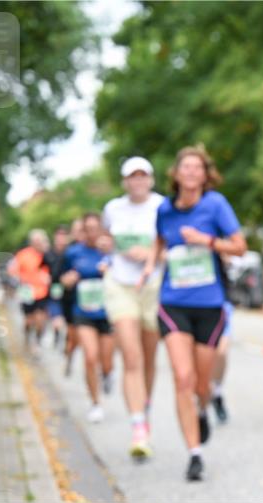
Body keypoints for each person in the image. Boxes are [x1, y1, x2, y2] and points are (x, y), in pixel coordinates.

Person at [142, 145, 247, 481]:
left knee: (201, 383)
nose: (190, 172)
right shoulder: (164, 209)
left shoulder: (215, 204)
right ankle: (194, 453)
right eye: (185, 166)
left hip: (210, 305)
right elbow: (159, 241)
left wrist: (206, 241)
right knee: (182, 377)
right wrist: (149, 265)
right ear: (176, 173)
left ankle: (203, 408)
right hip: (173, 303)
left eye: (196, 167)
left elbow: (240, 246)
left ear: (204, 175)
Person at [102, 157, 165, 459]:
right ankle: (138, 427)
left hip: (154, 286)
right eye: (132, 176)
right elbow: (106, 240)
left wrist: (151, 254)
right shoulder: (113, 209)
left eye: (143, 175)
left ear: (151, 179)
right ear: (124, 181)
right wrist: (111, 248)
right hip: (120, 284)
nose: (138, 181)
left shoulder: (162, 206)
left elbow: (172, 245)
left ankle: (145, 406)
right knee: (131, 357)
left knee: (149, 357)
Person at [60, 213, 115, 423]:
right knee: (90, 357)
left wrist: (111, 270)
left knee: (106, 361)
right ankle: (95, 403)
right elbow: (62, 278)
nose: (92, 233)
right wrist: (68, 280)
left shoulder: (110, 251)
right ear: (83, 231)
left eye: (95, 228)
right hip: (83, 311)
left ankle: (108, 374)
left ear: (102, 229)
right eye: (88, 229)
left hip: (108, 312)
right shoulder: (73, 253)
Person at [8, 229, 52, 355]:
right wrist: (19, 280)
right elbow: (12, 270)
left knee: (40, 320)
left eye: (40, 241)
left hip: (42, 292)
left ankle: (37, 342)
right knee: (29, 320)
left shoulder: (47, 254)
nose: (38, 243)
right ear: (31, 242)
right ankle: (27, 336)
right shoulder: (23, 254)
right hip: (27, 292)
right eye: (35, 241)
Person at [57, 218, 85, 376]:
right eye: (77, 231)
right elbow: (57, 277)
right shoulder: (69, 252)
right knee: (74, 337)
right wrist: (67, 279)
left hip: (96, 304)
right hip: (72, 301)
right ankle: (69, 356)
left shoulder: (99, 249)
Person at [44, 225, 70, 349]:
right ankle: (57, 335)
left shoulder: (71, 252)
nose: (61, 239)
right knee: (57, 321)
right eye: (59, 236)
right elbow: (40, 268)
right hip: (54, 291)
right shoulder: (48, 254)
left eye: (64, 236)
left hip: (70, 293)